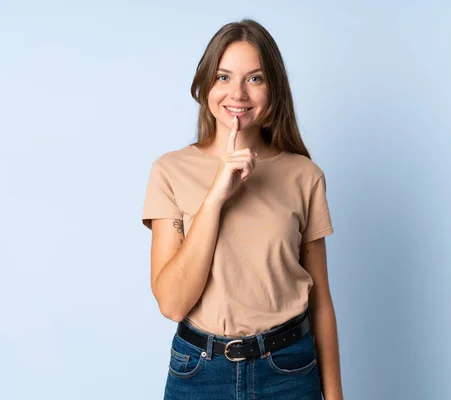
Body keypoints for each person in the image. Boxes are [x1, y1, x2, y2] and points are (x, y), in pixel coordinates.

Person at [142, 19, 343, 400]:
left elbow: (321, 302)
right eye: (223, 77)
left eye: (254, 78)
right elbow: (171, 303)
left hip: (289, 369)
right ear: (205, 86)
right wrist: (217, 195)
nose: (238, 93)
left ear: (273, 89)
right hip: (199, 372)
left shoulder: (304, 175)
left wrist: (335, 397)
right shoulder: (169, 171)